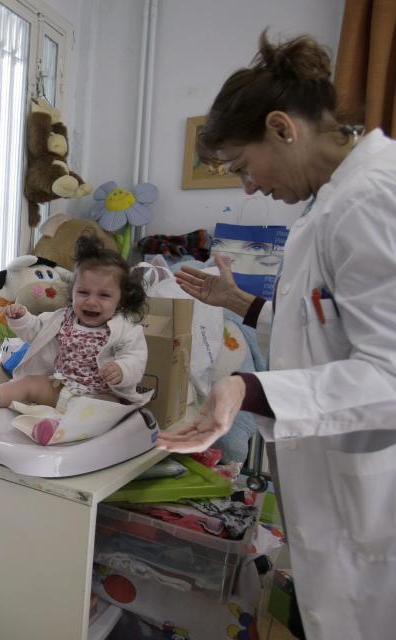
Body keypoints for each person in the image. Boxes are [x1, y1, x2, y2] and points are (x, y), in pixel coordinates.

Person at [157, 31, 396, 639]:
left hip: (373, 506)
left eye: (243, 166)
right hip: (338, 495)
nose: (248, 187)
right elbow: (331, 327)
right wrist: (241, 303)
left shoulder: (371, 200)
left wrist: (248, 387)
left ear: (283, 129)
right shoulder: (329, 205)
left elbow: (389, 373)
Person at [0, 235, 149, 445]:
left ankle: (57, 427)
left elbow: (135, 358)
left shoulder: (126, 329)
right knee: (27, 383)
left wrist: (122, 370)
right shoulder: (61, 318)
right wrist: (22, 318)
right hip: (58, 387)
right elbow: (35, 332)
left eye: (104, 296)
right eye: (83, 292)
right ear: (72, 292)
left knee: (104, 411)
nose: (91, 301)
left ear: (121, 299)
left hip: (97, 395)